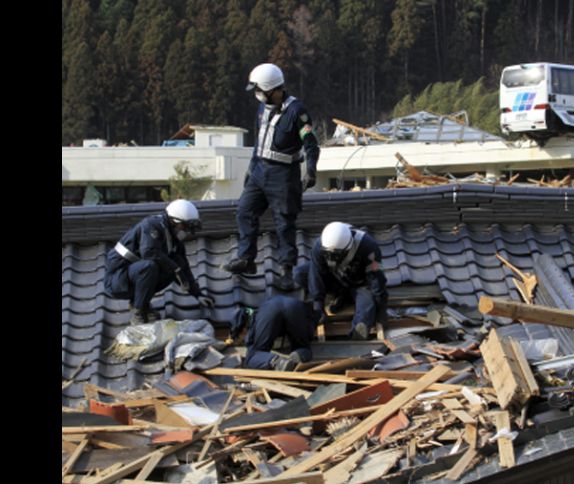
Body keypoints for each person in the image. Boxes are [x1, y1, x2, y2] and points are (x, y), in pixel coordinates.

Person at [222, 63, 320, 292]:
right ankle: (246, 259)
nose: (256, 94)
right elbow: (259, 143)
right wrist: (250, 169)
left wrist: (311, 169)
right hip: (259, 169)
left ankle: (287, 271)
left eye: (258, 90)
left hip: (284, 174)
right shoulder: (262, 108)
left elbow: (311, 144)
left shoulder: (297, 111)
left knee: (284, 222)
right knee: (245, 211)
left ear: (271, 88)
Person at [104, 199, 215, 324]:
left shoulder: (174, 240)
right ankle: (139, 311)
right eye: (185, 226)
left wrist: (198, 294)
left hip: (133, 277)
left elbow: (183, 268)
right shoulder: (152, 226)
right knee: (150, 266)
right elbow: (149, 253)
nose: (186, 231)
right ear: (174, 221)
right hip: (117, 280)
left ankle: (141, 303)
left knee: (177, 263)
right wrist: (175, 268)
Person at [294, 222, 388, 340]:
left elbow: (377, 280)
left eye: (336, 255)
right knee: (299, 274)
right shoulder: (319, 245)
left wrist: (381, 309)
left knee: (368, 303)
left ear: (348, 248)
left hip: (359, 284)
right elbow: (315, 275)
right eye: (328, 255)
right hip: (335, 278)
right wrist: (318, 305)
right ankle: (339, 296)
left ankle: (359, 328)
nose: (332, 259)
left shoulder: (369, 247)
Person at [235, 295, 316, 371]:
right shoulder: (256, 311)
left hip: (270, 310)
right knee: (303, 347)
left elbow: (252, 343)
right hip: (296, 305)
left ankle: (277, 362)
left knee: (254, 355)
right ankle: (298, 356)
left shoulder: (255, 315)